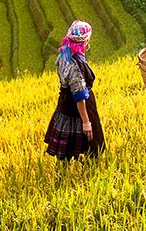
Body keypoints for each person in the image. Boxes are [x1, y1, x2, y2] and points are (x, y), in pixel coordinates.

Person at [44, 20, 105, 160]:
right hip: (80, 106)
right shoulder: (75, 64)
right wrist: (86, 122)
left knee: (66, 147)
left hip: (64, 104)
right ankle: (91, 171)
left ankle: (65, 171)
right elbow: (79, 95)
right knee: (92, 144)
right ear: (85, 41)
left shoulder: (63, 55)